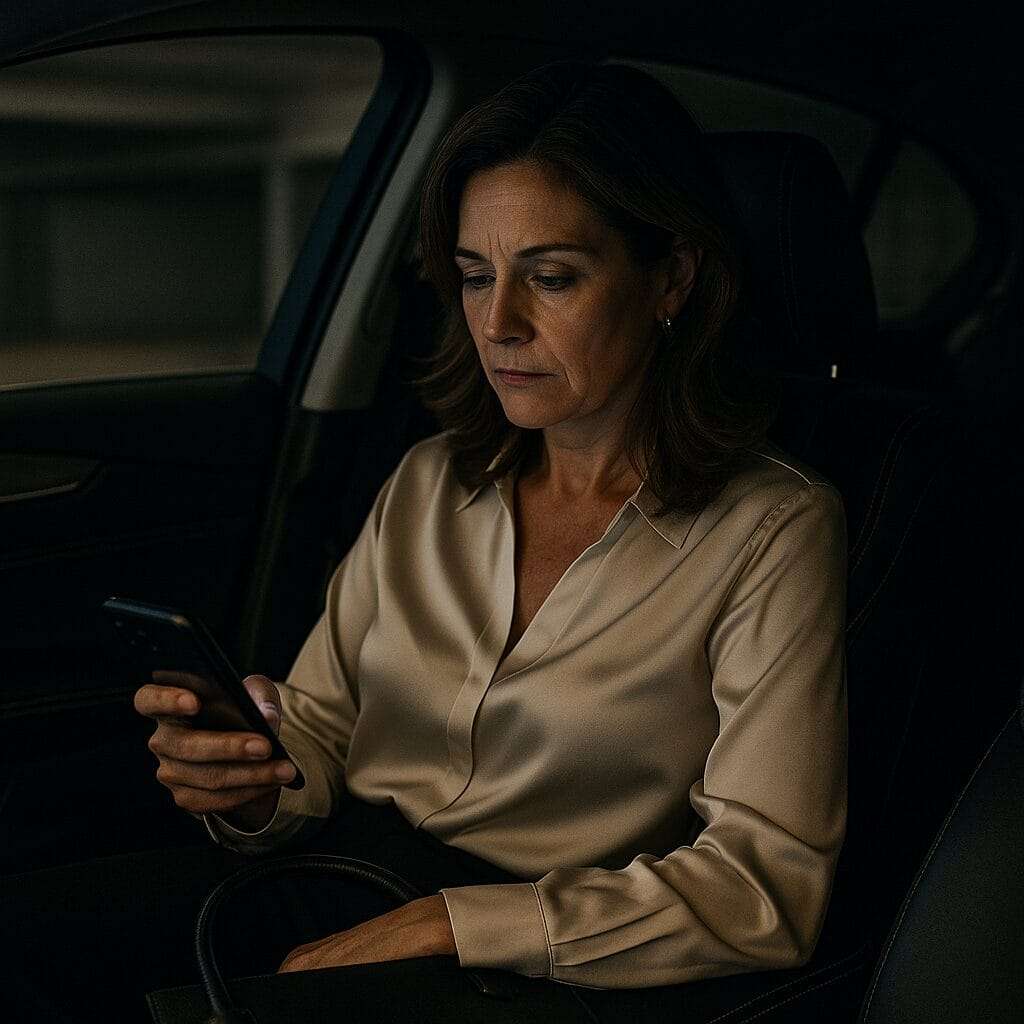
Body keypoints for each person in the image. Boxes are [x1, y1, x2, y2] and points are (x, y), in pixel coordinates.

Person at [2, 61, 846, 1022]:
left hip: (532, 954)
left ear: (672, 279)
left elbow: (765, 890)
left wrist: (456, 924)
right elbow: (318, 726)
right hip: (335, 866)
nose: (497, 323)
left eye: (552, 277)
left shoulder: (772, 528)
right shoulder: (431, 480)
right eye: (476, 275)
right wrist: (246, 784)